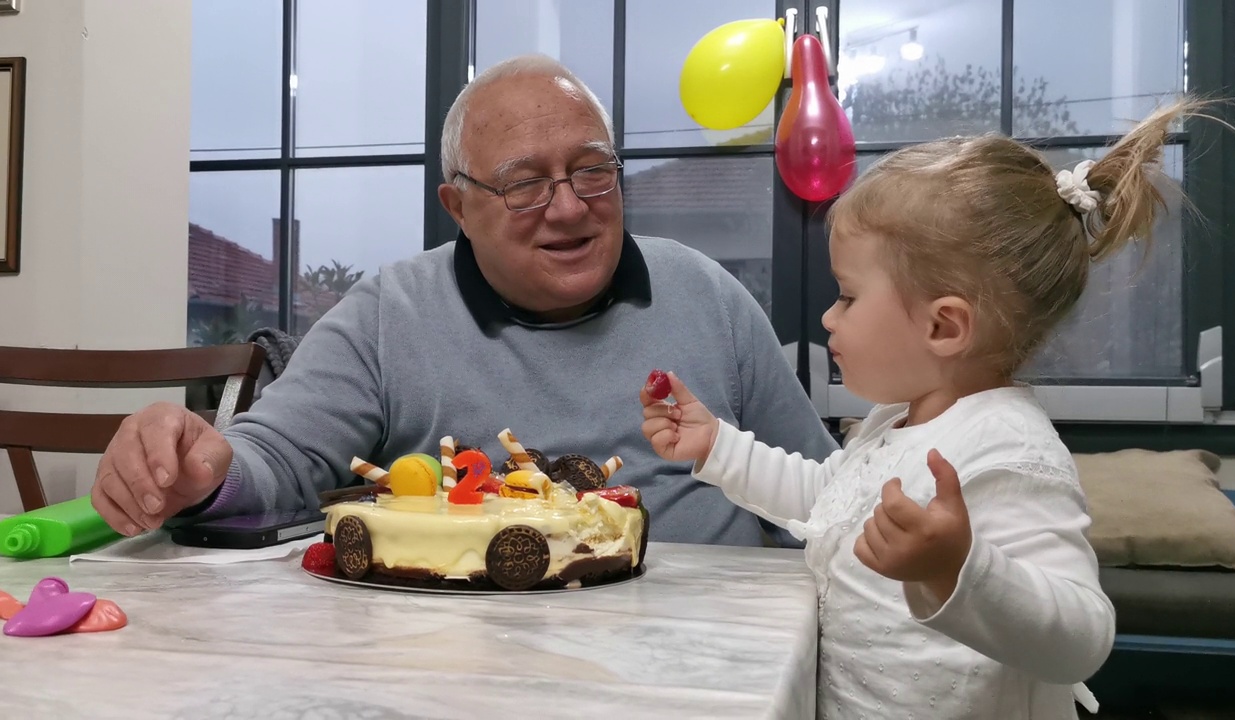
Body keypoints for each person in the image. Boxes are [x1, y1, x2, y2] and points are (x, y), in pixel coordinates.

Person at [89, 54, 837, 548]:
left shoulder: (707, 293)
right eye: (523, 184)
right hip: (469, 661)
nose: (571, 208)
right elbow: (276, 457)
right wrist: (205, 469)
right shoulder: (390, 316)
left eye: (591, 171)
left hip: (703, 660)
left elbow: (829, 495)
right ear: (457, 205)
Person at [640, 100, 1206, 717]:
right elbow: (826, 499)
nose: (828, 317)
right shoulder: (894, 421)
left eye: (848, 297)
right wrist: (717, 446)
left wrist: (961, 567)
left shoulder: (1010, 448)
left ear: (944, 327)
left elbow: (1084, 636)